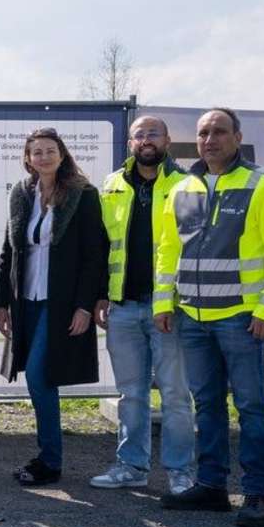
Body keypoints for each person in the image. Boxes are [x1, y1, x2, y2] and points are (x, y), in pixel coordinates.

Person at [155, 108, 264, 527]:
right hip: (193, 319)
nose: (210, 139)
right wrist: (165, 303)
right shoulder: (183, 188)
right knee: (208, 405)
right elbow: (169, 250)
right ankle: (212, 487)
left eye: (219, 131)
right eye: (203, 133)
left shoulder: (262, 184)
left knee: (252, 407)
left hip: (241, 319)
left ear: (237, 137)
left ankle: (257, 495)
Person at [0, 127, 107, 486]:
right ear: (27, 158)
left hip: (61, 302)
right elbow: (9, 250)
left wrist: (85, 306)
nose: (43, 157)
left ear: (62, 154)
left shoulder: (82, 194)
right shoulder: (20, 194)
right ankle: (48, 454)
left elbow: (94, 254)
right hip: (25, 300)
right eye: (36, 151)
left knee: (41, 376)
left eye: (49, 150)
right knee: (38, 377)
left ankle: (50, 460)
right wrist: (1, 302)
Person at [90, 116, 195, 495]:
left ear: (167, 140)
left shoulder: (186, 185)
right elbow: (102, 246)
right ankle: (131, 466)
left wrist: (172, 302)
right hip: (123, 307)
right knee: (130, 394)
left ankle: (181, 472)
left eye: (153, 134)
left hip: (168, 309)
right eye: (139, 135)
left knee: (175, 395)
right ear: (130, 143)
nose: (146, 140)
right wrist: (100, 294)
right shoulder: (112, 185)